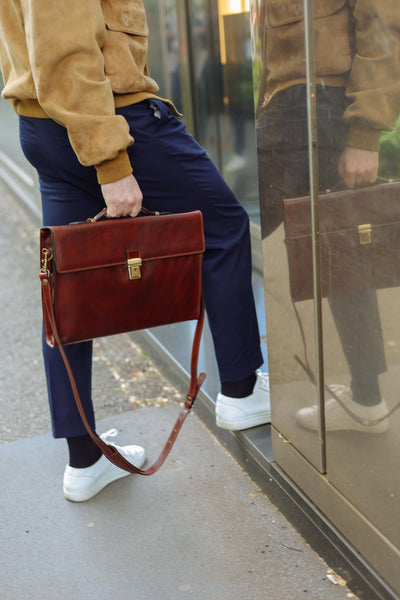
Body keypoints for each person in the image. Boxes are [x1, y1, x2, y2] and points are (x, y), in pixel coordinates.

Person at [0, 0, 269, 502]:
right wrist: (110, 163)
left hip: (47, 123)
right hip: (111, 120)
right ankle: (241, 390)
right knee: (224, 227)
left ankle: (83, 460)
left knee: (67, 285)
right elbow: (65, 50)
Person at [257, 0, 400, 433]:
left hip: (318, 101)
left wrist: (365, 134)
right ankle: (366, 400)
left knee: (224, 230)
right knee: (341, 251)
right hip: (294, 104)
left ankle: (240, 383)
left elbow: (382, 25)